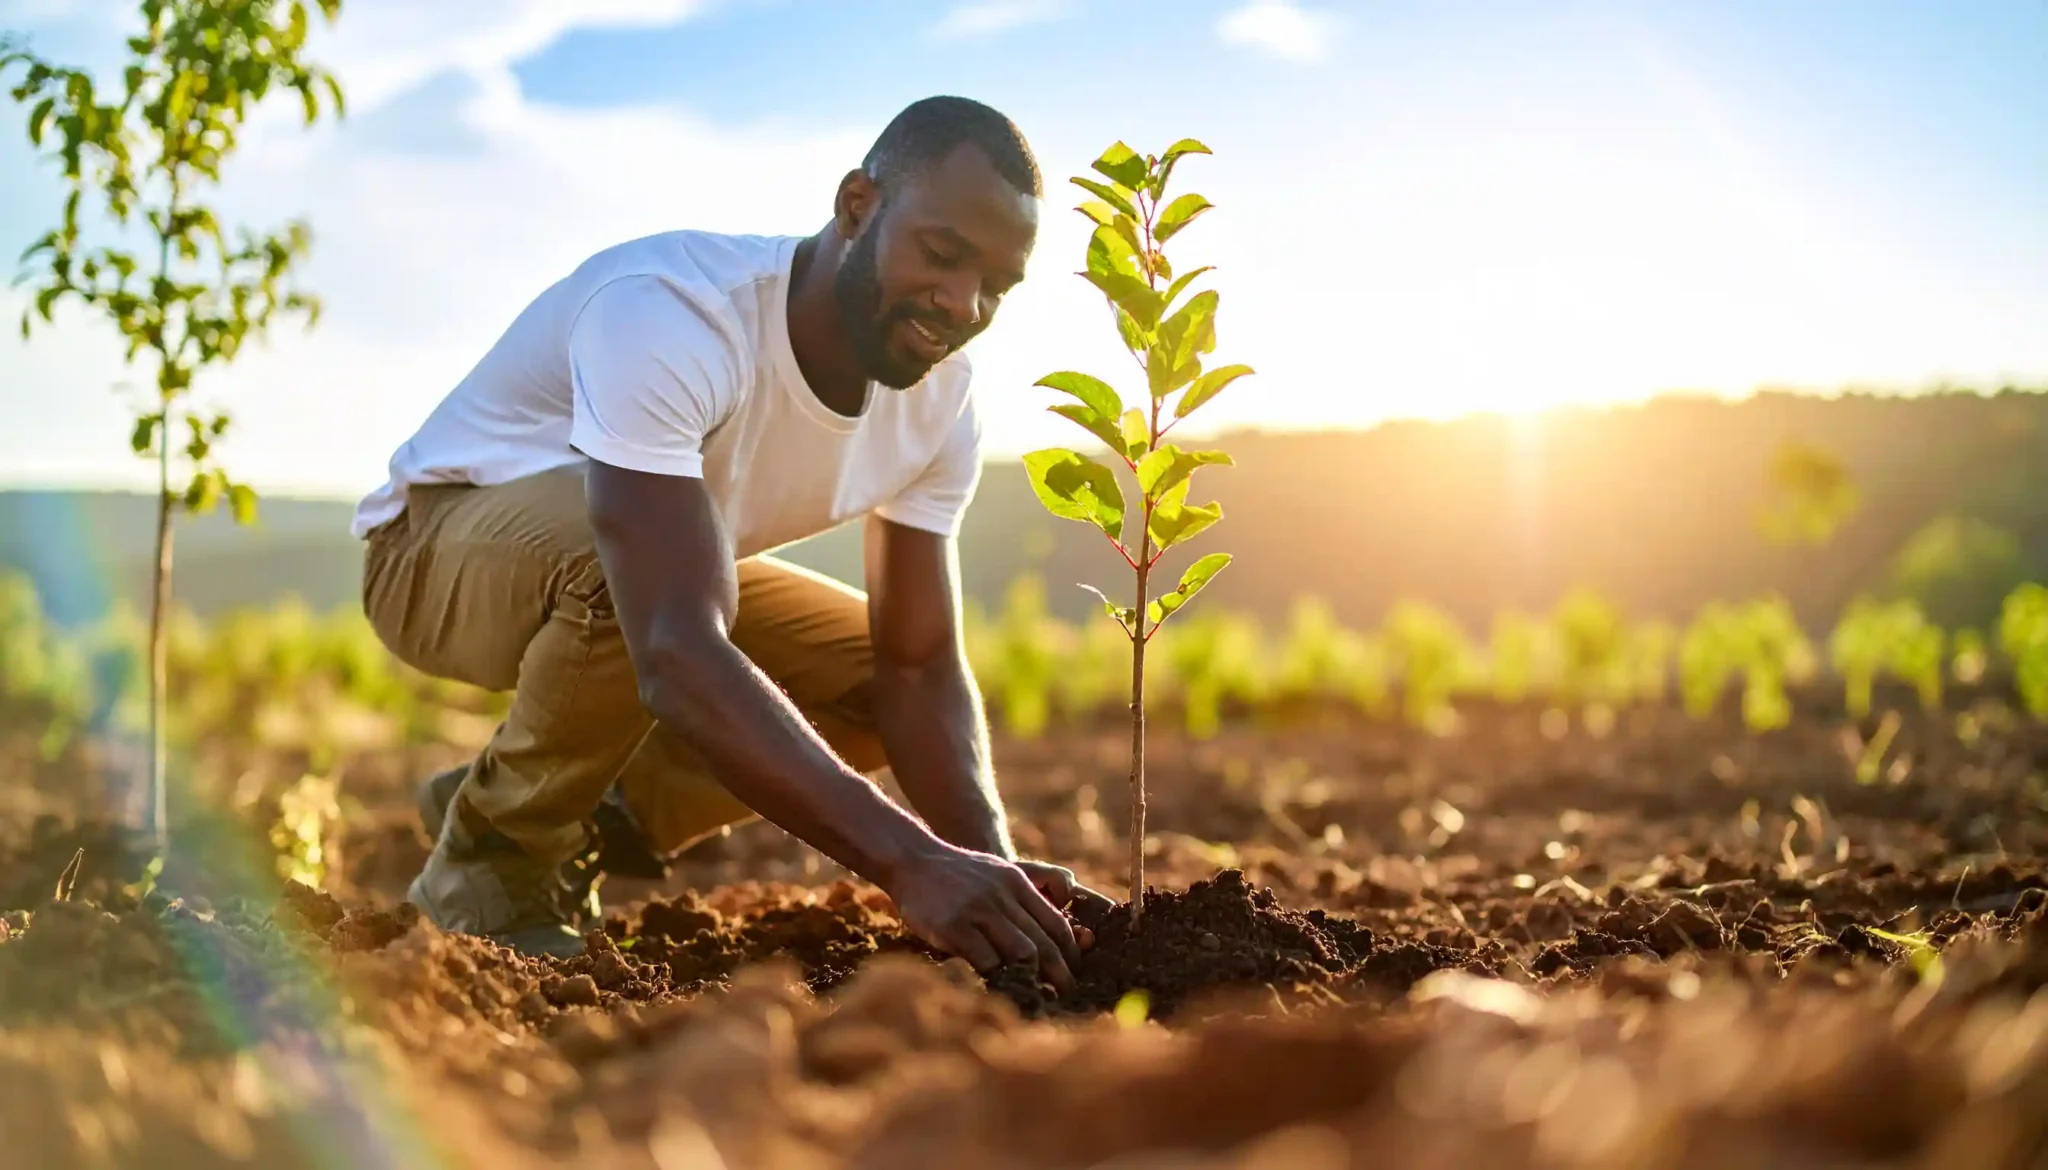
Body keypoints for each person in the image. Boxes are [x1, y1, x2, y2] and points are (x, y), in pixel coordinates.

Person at [350, 95, 1107, 990]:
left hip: (645, 578)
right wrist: (909, 863)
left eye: (996, 287)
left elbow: (919, 668)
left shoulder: (942, 403)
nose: (962, 303)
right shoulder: (674, 313)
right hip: (432, 557)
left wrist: (994, 875)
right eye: (941, 255)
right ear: (857, 205)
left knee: (870, 674)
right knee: (628, 578)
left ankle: (567, 800)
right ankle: (491, 860)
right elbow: (675, 645)